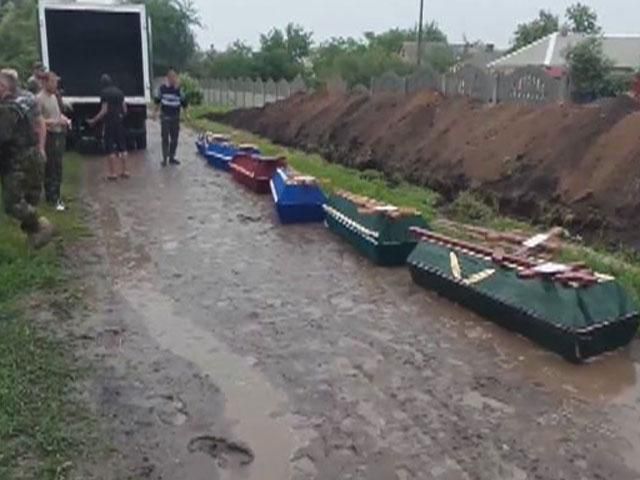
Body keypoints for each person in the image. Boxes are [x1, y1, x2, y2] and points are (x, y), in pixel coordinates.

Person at [0, 71, 54, 249]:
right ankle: (35, 245)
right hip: (31, 157)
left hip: (16, 162)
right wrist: (41, 148)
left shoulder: (7, 109)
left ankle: (40, 224)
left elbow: (3, 138)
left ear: (3, 87)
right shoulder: (24, 102)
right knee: (28, 200)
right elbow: (39, 124)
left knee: (13, 204)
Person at [38, 72, 70, 210]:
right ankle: (51, 197)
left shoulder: (54, 97)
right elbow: (38, 121)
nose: (56, 85)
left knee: (58, 166)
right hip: (49, 136)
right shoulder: (39, 99)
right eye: (53, 82)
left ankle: (57, 195)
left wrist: (65, 119)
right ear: (45, 83)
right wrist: (56, 121)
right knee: (51, 167)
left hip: (59, 134)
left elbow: (56, 113)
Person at [88, 74, 128, 180]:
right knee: (122, 146)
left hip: (109, 123)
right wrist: (121, 116)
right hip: (119, 122)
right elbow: (125, 108)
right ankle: (125, 171)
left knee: (110, 147)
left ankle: (113, 173)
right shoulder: (120, 92)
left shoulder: (104, 93)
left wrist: (94, 120)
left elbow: (104, 110)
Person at [154, 67, 187, 167]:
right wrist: (154, 113)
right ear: (167, 78)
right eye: (171, 77)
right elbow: (157, 101)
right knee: (165, 138)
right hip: (165, 116)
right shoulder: (162, 88)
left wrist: (187, 114)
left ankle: (171, 157)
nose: (173, 79)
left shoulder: (179, 90)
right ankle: (164, 158)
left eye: (174, 77)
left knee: (174, 138)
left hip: (175, 117)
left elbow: (184, 102)